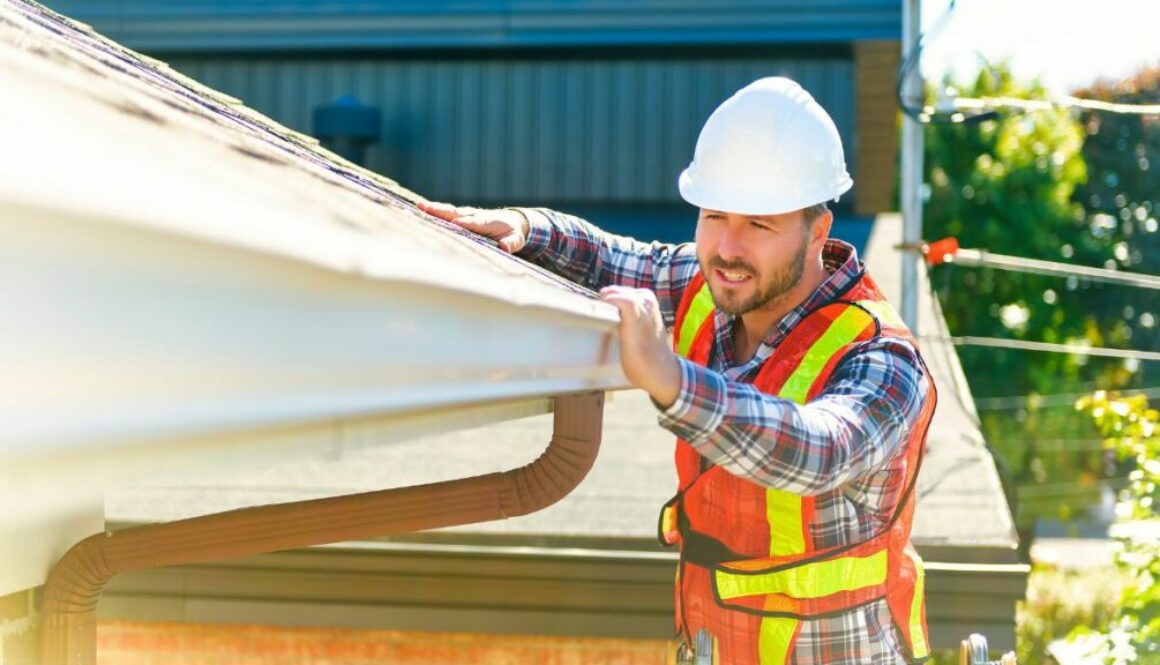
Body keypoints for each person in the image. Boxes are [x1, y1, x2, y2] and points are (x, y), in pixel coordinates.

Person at [418, 77, 936, 665]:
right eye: (714, 215)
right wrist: (527, 229)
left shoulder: (884, 359)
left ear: (818, 232)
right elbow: (611, 257)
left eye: (758, 224)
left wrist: (669, 380)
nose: (727, 247)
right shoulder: (708, 285)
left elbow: (819, 451)